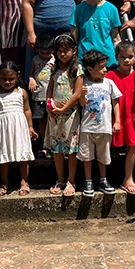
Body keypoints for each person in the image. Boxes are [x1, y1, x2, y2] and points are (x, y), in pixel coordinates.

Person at [0, 62, 36, 196]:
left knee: (23, 154)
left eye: (11, 79)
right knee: (3, 154)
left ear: (17, 77)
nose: (7, 82)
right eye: (3, 79)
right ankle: (4, 183)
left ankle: (24, 182)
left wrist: (30, 127)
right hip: (4, 127)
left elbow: (27, 110)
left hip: (20, 126)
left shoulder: (22, 92)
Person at [77, 50, 121, 197]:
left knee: (103, 155)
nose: (105, 70)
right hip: (87, 127)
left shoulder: (109, 83)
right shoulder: (84, 83)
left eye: (105, 66)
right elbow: (82, 104)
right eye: (101, 67)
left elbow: (115, 102)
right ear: (90, 69)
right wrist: (82, 94)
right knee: (87, 156)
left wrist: (118, 121)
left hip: (104, 126)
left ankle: (103, 179)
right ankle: (88, 180)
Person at [45, 34, 84, 197]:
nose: (62, 54)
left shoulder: (77, 69)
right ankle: (60, 178)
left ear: (74, 51)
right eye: (59, 51)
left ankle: (71, 180)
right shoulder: (54, 68)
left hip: (71, 115)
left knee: (72, 149)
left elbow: (77, 93)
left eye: (66, 51)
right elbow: (49, 89)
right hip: (54, 116)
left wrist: (63, 109)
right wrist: (50, 107)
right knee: (57, 148)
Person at [107, 41, 135, 195]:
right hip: (117, 115)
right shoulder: (111, 75)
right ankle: (103, 178)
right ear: (116, 57)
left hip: (134, 114)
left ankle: (128, 178)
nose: (126, 60)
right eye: (122, 57)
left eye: (130, 57)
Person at [70, 0, 121, 68]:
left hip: (107, 62)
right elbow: (74, 37)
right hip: (85, 62)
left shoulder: (112, 9)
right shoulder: (78, 9)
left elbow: (116, 38)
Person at [28, 34, 55, 158]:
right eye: (42, 52)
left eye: (47, 52)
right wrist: (31, 79)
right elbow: (31, 73)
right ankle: (45, 145)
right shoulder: (35, 59)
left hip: (52, 96)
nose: (45, 55)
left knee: (52, 120)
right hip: (38, 96)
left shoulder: (55, 60)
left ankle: (53, 144)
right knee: (42, 120)